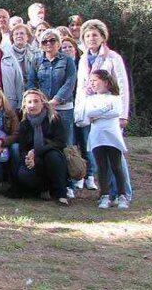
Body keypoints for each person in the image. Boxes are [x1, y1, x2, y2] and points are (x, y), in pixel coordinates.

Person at [75, 19, 132, 196]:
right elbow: (81, 87)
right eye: (87, 35)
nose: (91, 38)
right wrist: (80, 112)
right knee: (99, 154)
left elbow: (122, 86)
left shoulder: (113, 57)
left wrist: (123, 114)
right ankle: (106, 193)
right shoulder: (84, 58)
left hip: (111, 111)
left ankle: (124, 192)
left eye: (95, 35)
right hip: (92, 111)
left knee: (115, 154)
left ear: (102, 37)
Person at [27, 29, 77, 173]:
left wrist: (55, 100)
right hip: (42, 109)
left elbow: (70, 82)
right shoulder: (36, 61)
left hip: (63, 108)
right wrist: (38, 101)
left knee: (66, 143)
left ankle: (70, 181)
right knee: (45, 142)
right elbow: (31, 82)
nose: (48, 43)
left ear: (58, 43)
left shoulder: (67, 61)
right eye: (45, 41)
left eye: (52, 40)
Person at [79, 71, 130, 209]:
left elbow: (116, 112)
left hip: (112, 136)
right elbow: (89, 113)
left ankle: (122, 195)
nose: (92, 83)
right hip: (97, 136)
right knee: (101, 167)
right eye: (91, 81)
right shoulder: (90, 99)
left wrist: (100, 113)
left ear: (106, 82)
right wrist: (105, 110)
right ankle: (104, 195)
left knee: (116, 166)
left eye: (95, 80)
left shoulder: (115, 98)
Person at [10, 89, 70, 206]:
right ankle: (39, 190)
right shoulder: (24, 123)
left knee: (52, 156)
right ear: (25, 105)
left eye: (36, 101)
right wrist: (28, 159)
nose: (33, 105)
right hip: (34, 159)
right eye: (29, 102)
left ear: (43, 103)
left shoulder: (54, 119)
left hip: (52, 156)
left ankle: (61, 194)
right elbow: (22, 148)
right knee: (24, 173)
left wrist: (36, 151)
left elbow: (60, 142)